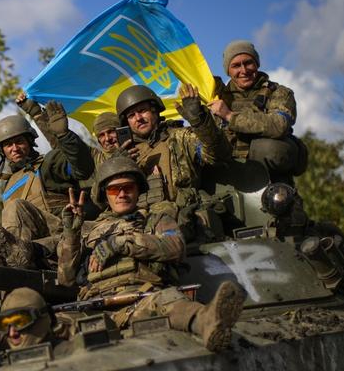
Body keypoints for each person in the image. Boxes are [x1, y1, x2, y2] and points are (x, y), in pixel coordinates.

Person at [58, 157, 245, 352]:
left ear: (138, 190)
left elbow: (176, 247)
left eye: (128, 187)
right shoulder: (89, 232)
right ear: (105, 196)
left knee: (169, 300)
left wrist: (121, 243)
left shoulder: (156, 220)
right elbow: (66, 279)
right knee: (53, 323)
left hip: (144, 301)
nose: (122, 194)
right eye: (114, 189)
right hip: (93, 311)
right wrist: (71, 235)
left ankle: (210, 324)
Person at [0, 103, 95, 269]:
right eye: (8, 145)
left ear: (29, 141)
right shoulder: (8, 186)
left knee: (16, 207)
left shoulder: (48, 164)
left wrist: (65, 137)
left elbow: (83, 168)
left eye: (19, 142)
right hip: (29, 248)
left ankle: (13, 254)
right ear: (2, 151)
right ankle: (8, 255)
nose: (15, 149)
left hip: (61, 236)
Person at [116, 84, 231, 210]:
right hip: (141, 220)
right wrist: (117, 168)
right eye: (131, 115)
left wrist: (201, 123)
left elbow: (218, 155)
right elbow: (102, 200)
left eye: (143, 111)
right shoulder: (125, 153)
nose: (138, 118)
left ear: (155, 111)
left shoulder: (180, 137)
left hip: (183, 215)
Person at [209, 40, 306, 184]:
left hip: (270, 178)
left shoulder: (279, 93)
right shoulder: (215, 97)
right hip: (227, 173)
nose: (244, 70)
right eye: (236, 65)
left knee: (267, 148)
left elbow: (279, 125)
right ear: (228, 71)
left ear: (257, 64)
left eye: (248, 63)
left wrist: (229, 116)